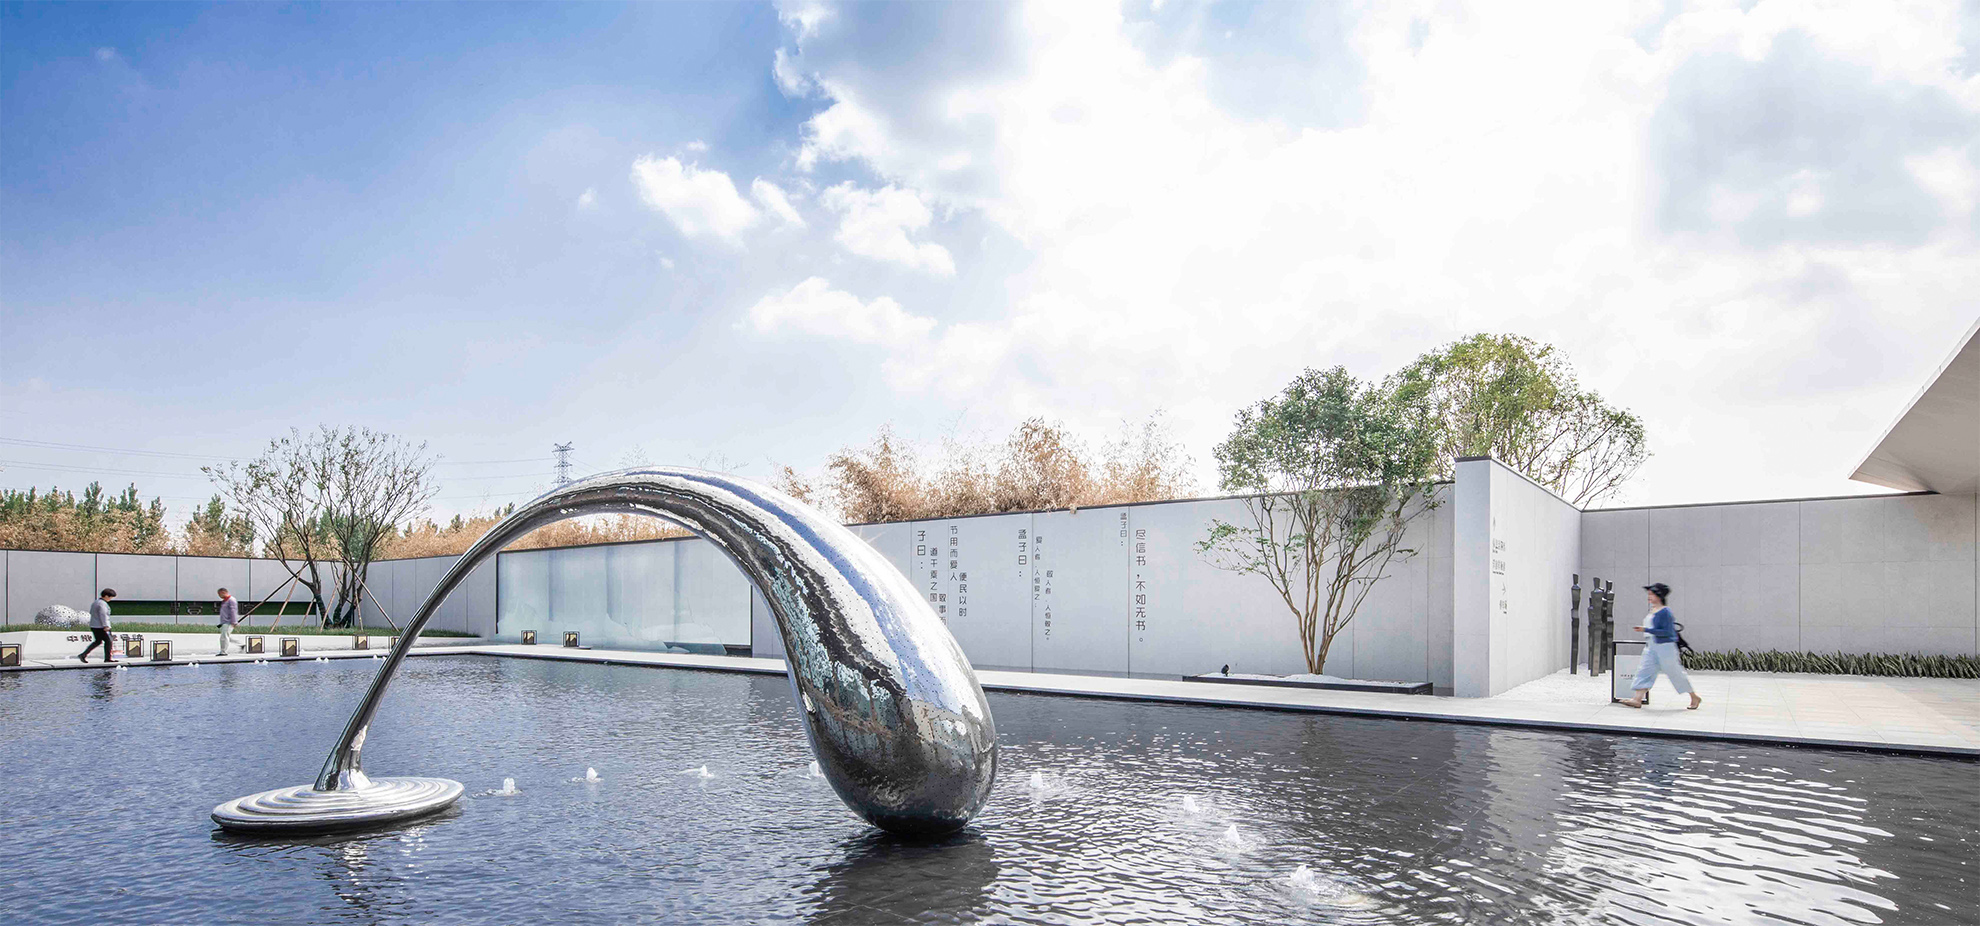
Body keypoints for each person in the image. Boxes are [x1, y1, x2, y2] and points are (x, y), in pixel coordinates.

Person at [1620, 583, 1701, 710]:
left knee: (1675, 672)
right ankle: (1637, 699)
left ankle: (1694, 697)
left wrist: (1646, 629)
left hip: (1665, 647)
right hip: (1651, 646)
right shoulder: (1653, 610)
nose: (1649, 597)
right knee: (1644, 670)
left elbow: (1667, 632)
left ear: (1659, 596)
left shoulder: (1665, 612)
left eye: (1651, 594)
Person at [77, 588, 117, 663]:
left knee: (98, 641)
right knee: (108, 641)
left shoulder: (96, 602)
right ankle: (107, 658)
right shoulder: (102, 604)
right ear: (106, 596)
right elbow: (103, 615)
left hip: (94, 625)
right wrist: (106, 626)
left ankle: (83, 655)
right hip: (101, 626)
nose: (110, 599)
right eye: (110, 597)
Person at [216, 587, 241, 656]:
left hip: (228, 622)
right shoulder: (225, 601)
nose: (219, 596)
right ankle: (241, 644)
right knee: (225, 636)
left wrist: (234, 622)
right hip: (224, 622)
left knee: (224, 637)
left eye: (219, 594)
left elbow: (233, 611)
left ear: (223, 592)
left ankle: (223, 652)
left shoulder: (231, 600)